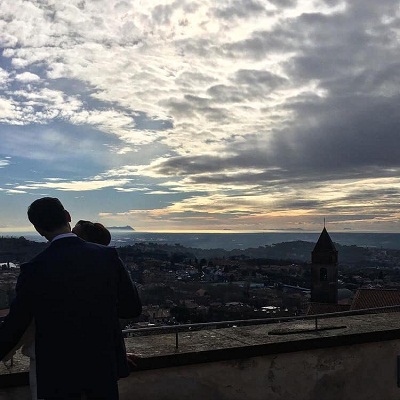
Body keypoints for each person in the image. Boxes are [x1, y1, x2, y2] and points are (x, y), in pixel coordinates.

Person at [0, 197, 142, 400]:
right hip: (102, 366)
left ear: (38, 229)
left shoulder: (34, 269)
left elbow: (16, 325)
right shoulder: (108, 257)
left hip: (57, 372)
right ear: (67, 216)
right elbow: (131, 309)